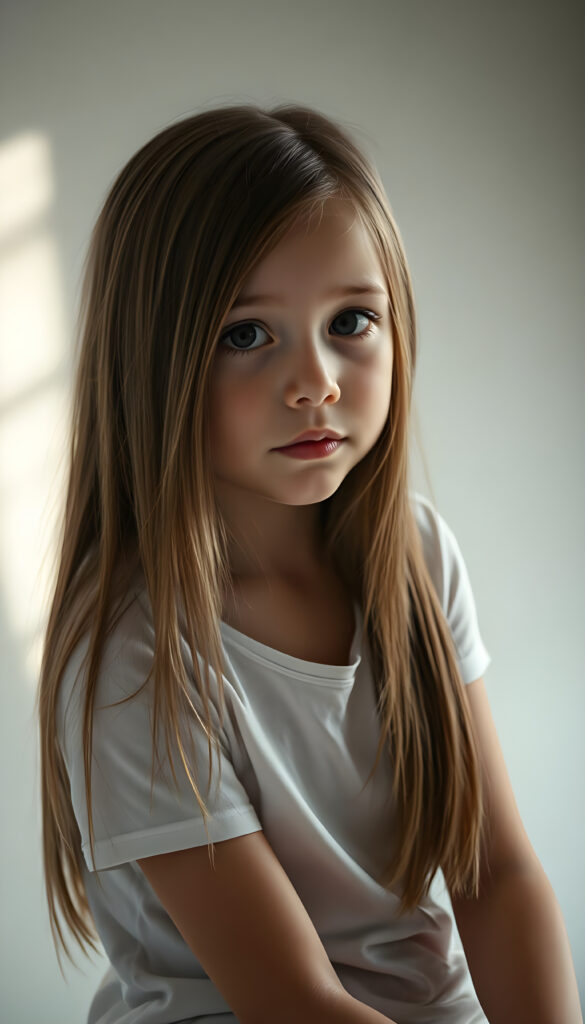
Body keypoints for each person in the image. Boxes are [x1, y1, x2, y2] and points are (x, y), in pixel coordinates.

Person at [36, 103, 582, 1024]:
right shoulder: (133, 653)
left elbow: (495, 873)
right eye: (246, 335)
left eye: (352, 321)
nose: (317, 381)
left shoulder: (412, 556)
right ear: (151, 359)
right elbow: (290, 999)